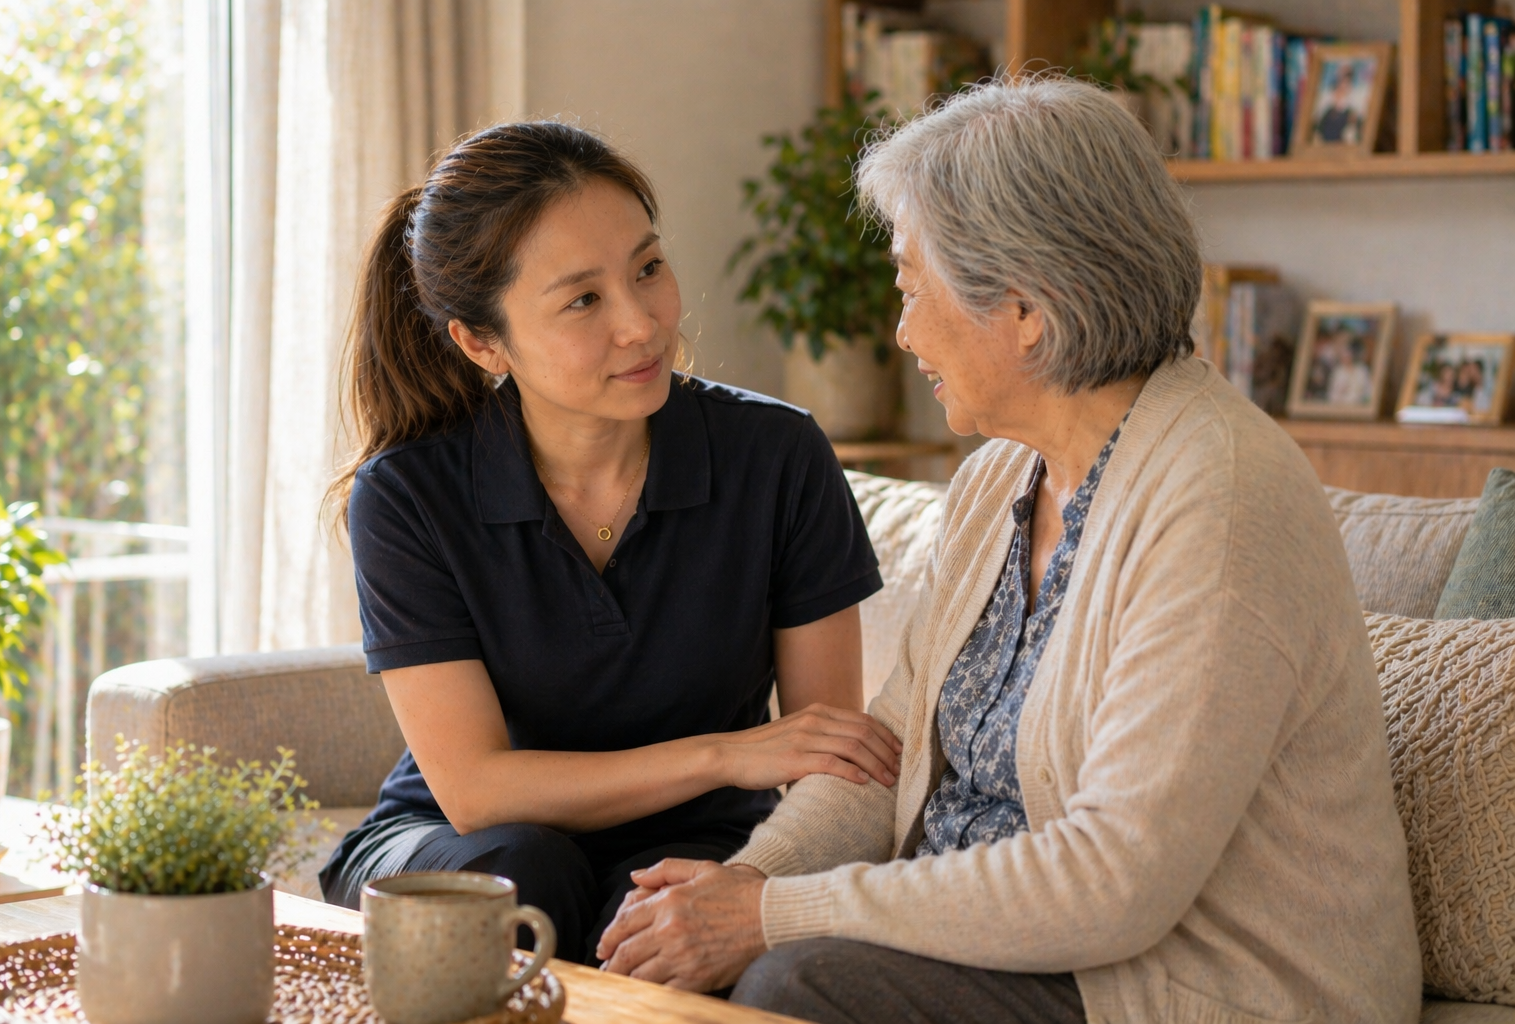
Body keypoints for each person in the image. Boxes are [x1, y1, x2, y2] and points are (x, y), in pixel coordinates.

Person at [596, 78, 1420, 1024]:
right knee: (672, 950)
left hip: (1194, 989)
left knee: (792, 979)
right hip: (1009, 960)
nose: (901, 331)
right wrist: (726, 895)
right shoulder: (999, 482)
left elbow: (1116, 880)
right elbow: (884, 763)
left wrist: (773, 917)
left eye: (912, 284)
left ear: (1026, 308)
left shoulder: (1221, 497)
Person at [317, 122, 904, 966]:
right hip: (455, 843)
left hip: (692, 838)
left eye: (648, 269)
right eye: (584, 300)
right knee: (522, 872)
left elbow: (824, 753)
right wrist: (724, 754)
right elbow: (477, 793)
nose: (642, 324)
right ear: (482, 343)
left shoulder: (777, 456)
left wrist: (756, 881)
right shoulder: (407, 495)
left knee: (659, 910)